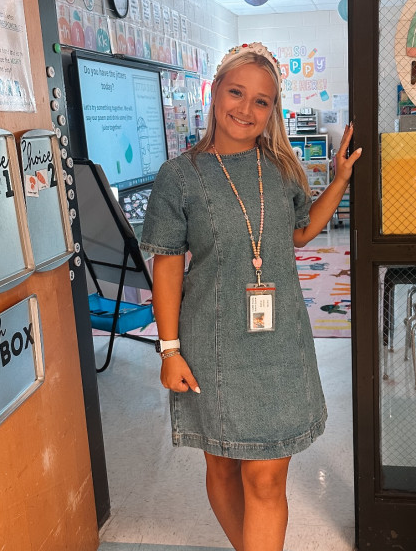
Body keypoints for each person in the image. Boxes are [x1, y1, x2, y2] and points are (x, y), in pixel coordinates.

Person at [139, 42, 361, 551]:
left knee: (264, 478)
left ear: (272, 110)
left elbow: (301, 232)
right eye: (236, 93)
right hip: (212, 344)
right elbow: (167, 267)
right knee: (222, 466)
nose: (246, 109)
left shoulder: (281, 169)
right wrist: (169, 351)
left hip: (280, 346)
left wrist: (341, 179)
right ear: (215, 92)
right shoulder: (179, 176)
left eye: (261, 101)